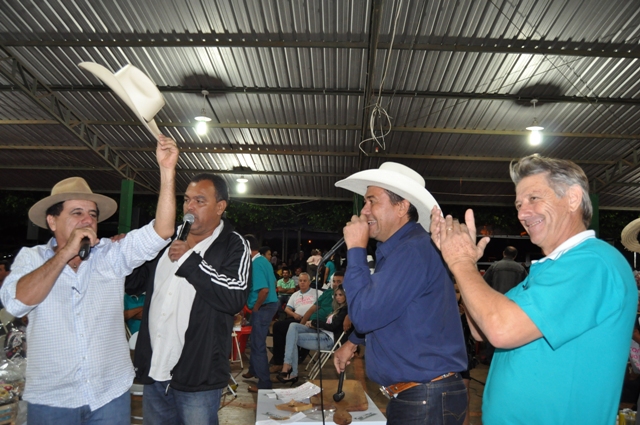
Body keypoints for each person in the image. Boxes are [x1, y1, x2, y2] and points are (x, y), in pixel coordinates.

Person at [431, 154, 637, 424]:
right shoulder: (550, 269)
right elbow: (481, 329)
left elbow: (500, 330)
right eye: (518, 204)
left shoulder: (592, 262)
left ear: (573, 198)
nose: (522, 213)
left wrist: (461, 262)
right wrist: (463, 264)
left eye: (534, 198)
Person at [0, 135, 179, 425]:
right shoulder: (31, 259)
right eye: (77, 213)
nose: (87, 220)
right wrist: (64, 254)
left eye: (92, 214)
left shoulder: (110, 255)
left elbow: (163, 230)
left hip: (109, 394)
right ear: (52, 221)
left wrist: (167, 171)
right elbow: (17, 303)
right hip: (52, 399)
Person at [332, 162, 468, 425]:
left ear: (402, 207)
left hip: (424, 397)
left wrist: (356, 249)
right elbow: (387, 309)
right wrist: (353, 342)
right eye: (365, 202)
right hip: (422, 395)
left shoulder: (412, 251)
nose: (364, 210)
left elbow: (364, 315)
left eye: (372, 201)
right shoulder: (403, 249)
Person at [125, 173, 251, 425]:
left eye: (199, 201)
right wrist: (130, 252)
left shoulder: (234, 244)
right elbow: (133, 284)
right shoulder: (165, 240)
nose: (189, 207)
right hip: (155, 369)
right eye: (186, 200)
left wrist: (189, 259)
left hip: (199, 375)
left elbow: (234, 296)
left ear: (220, 207)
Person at [278, 285, 351, 383]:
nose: (337, 297)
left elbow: (332, 327)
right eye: (336, 295)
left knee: (293, 338)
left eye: (340, 295)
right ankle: (287, 365)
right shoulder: (338, 308)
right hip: (323, 333)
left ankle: (291, 371)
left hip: (329, 340)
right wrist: (314, 324)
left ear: (346, 296)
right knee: (293, 326)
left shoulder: (345, 310)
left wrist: (315, 323)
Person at [242, 237, 278, 393]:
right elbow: (273, 283)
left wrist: (256, 307)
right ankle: (253, 370)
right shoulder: (264, 261)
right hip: (268, 305)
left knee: (258, 344)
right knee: (254, 339)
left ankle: (264, 383)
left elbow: (264, 290)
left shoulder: (256, 264)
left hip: (263, 306)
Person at [269, 272, 320, 373]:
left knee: (291, 329)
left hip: (311, 320)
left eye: (304, 281)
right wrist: (294, 314)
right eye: (300, 281)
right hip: (297, 318)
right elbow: (287, 309)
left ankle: (298, 356)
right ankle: (279, 361)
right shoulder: (295, 295)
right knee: (277, 326)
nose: (302, 283)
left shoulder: (317, 293)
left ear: (309, 282)